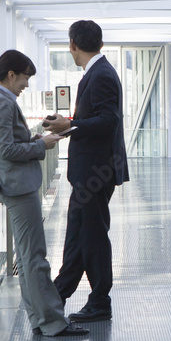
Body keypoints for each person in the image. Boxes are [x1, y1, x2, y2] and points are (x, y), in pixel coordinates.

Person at [0, 50, 87, 338]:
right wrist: (42, 147)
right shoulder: (1, 103)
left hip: (16, 184)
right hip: (19, 187)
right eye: (24, 78)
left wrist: (36, 139)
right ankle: (52, 321)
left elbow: (10, 143)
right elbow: (7, 151)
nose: (26, 85)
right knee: (35, 257)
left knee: (27, 259)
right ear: (11, 75)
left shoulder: (0, 101)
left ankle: (41, 318)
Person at [43, 20, 129, 323]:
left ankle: (98, 300)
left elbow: (109, 121)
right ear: (100, 43)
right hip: (90, 172)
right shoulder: (98, 72)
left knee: (92, 236)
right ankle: (58, 294)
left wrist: (71, 125)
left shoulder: (101, 74)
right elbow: (100, 119)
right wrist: (68, 124)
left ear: (72, 45)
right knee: (80, 234)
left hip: (96, 172)